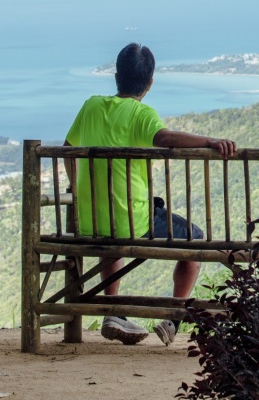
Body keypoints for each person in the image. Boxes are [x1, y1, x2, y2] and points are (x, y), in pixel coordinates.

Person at [64, 43, 236, 346]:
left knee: (112, 236)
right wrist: (210, 141)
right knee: (194, 239)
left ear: (116, 76)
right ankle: (172, 317)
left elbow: (67, 148)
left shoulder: (90, 105)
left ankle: (113, 310)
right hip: (133, 222)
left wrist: (77, 191)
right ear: (150, 82)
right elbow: (165, 137)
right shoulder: (142, 113)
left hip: (89, 222)